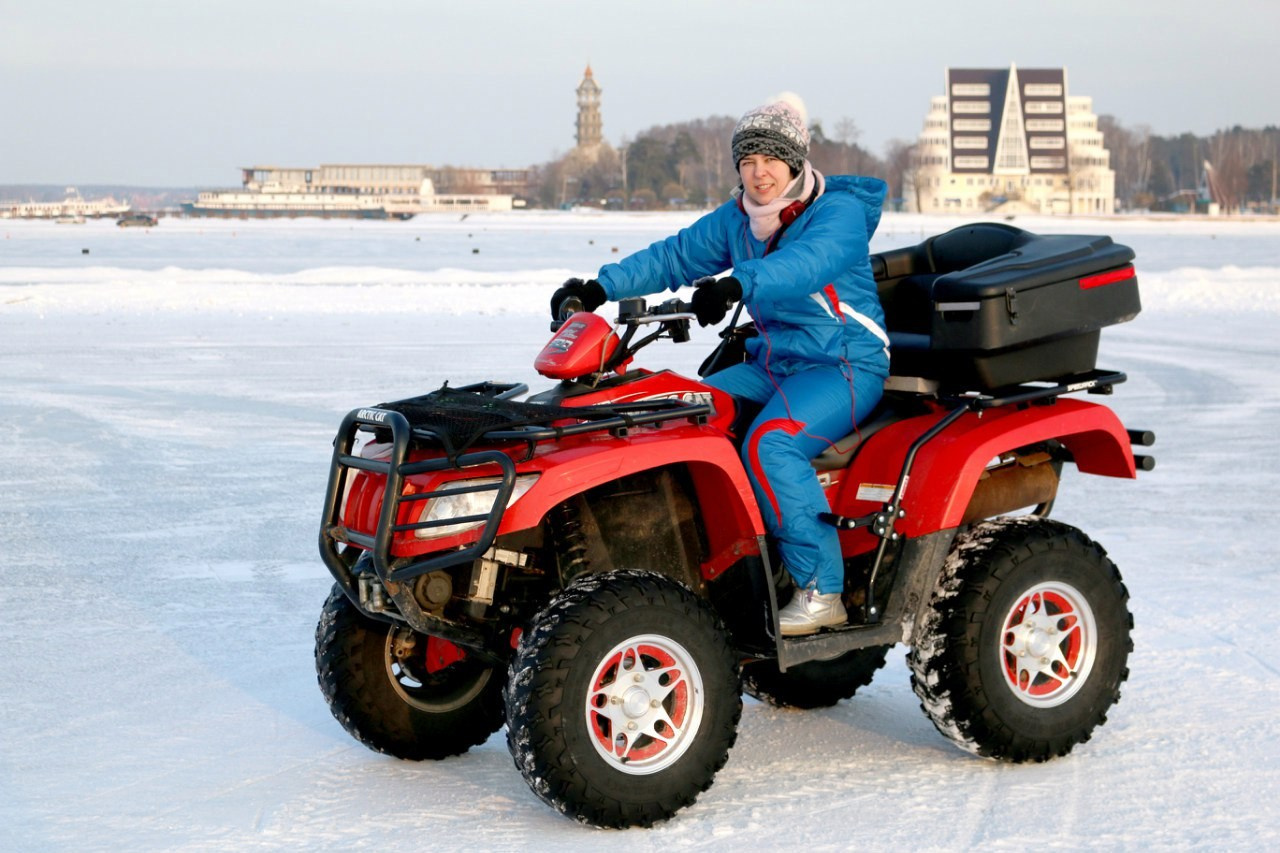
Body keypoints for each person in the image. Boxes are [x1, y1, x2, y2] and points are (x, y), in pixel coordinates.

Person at [550, 93, 889, 635]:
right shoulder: (740, 219)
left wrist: (737, 282)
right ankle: (723, 569)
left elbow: (805, 265)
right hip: (775, 359)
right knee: (683, 413)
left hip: (843, 365)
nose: (759, 174)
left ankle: (822, 591)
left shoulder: (839, 213)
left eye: (771, 160)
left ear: (797, 161)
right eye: (748, 161)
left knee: (770, 443)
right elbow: (675, 256)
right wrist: (599, 287)